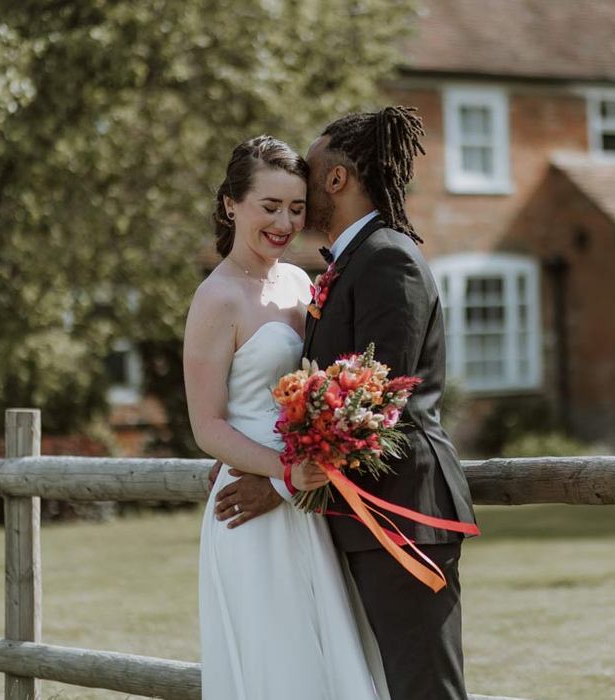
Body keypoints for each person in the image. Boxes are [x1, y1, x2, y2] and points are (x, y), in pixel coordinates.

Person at [214, 107, 478, 699]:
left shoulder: (389, 258)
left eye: (310, 171)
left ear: (336, 180)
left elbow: (375, 403)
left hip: (402, 514)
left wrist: (279, 483)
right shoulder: (349, 264)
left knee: (423, 688)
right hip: (353, 516)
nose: (300, 186)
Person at [184, 135, 390, 700]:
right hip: (253, 506)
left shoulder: (300, 282)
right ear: (232, 204)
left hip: (304, 492)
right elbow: (207, 425)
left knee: (328, 652)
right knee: (278, 659)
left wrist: (300, 472)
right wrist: (283, 470)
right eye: (269, 206)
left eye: (296, 208)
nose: (284, 222)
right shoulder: (216, 298)